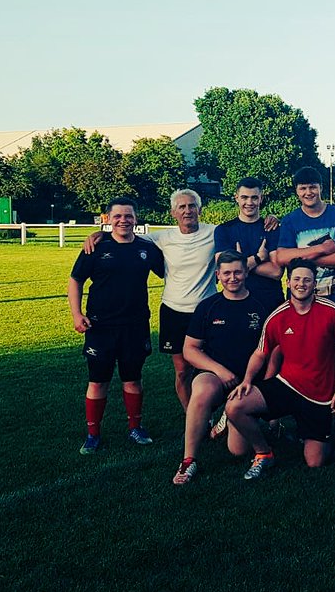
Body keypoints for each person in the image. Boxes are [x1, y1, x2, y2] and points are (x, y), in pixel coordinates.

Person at [81, 187, 278, 412]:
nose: (187, 211)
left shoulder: (215, 233)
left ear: (200, 210)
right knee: (182, 370)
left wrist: (271, 218)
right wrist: (101, 235)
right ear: (173, 212)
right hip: (174, 310)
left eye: (192, 206)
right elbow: (126, 235)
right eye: (181, 207)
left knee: (218, 364)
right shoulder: (161, 238)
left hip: (209, 309)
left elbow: (242, 235)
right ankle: (193, 415)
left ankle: (228, 408)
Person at [225, 258, 335, 478]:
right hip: (287, 384)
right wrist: (247, 381)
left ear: (314, 284)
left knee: (315, 462)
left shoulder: (332, 312)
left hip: (321, 394)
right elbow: (260, 352)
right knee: (235, 406)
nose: (302, 284)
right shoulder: (277, 316)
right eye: (297, 279)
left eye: (307, 280)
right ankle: (264, 453)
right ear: (288, 283)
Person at [171, 251, 280, 484]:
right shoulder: (208, 307)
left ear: (246, 273)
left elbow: (273, 349)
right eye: (227, 273)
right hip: (216, 376)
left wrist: (265, 382)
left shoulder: (261, 305)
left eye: (238, 272)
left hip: (250, 381)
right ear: (218, 275)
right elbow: (190, 349)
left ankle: (231, 417)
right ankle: (189, 460)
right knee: (200, 391)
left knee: (238, 451)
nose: (233, 278)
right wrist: (219, 371)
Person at [67, 197, 165, 454]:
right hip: (100, 326)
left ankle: (135, 427)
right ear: (108, 219)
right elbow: (76, 280)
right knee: (98, 381)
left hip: (135, 325)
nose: (124, 220)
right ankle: (93, 433)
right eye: (118, 216)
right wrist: (77, 315)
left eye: (129, 216)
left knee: (133, 379)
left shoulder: (147, 248)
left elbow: (171, 271)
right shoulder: (96, 247)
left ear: (136, 218)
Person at [272, 166, 335, 313]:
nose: (308, 192)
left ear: (321, 188)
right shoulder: (290, 220)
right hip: (299, 300)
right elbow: (282, 257)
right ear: (296, 191)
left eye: (313, 187)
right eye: (303, 188)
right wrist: (321, 249)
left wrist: (303, 259)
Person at [216, 176, 285, 305]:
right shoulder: (224, 230)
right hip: (237, 302)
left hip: (269, 301)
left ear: (261, 199)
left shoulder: (271, 228)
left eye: (254, 197)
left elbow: (276, 272)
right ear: (236, 198)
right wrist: (258, 258)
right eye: (244, 197)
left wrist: (240, 263)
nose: (249, 202)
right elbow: (224, 270)